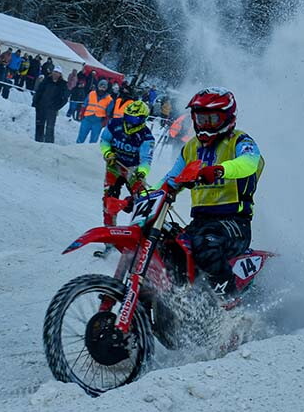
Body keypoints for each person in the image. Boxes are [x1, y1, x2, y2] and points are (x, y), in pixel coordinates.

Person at [160, 87, 264, 295]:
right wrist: (143, 196)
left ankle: (228, 305)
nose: (205, 126)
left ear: (227, 118)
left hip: (235, 222)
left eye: (213, 119)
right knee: (167, 247)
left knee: (206, 246)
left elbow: (249, 163)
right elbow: (171, 178)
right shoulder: (190, 148)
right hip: (200, 222)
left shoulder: (240, 141)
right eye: (200, 119)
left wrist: (220, 170)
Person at [99, 100, 154, 227]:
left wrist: (142, 172)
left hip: (133, 169)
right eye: (128, 117)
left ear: (142, 119)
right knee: (108, 198)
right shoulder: (114, 124)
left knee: (143, 200)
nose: (129, 122)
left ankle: (139, 229)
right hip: (114, 165)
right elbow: (104, 140)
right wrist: (108, 153)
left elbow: (146, 159)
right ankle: (109, 230)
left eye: (134, 120)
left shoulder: (147, 136)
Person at [31, 66, 69, 143]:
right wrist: (35, 103)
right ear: (52, 72)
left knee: (50, 127)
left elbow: (65, 98)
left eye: (58, 73)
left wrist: (57, 107)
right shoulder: (46, 81)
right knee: (39, 125)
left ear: (60, 74)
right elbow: (38, 92)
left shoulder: (63, 84)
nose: (56, 74)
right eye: (55, 72)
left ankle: (49, 144)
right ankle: (37, 141)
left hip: (52, 109)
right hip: (41, 107)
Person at [77, 79, 113, 143]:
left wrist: (105, 121)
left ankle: (90, 152)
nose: (102, 89)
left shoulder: (109, 99)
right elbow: (85, 104)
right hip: (87, 119)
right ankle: (75, 150)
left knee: (93, 140)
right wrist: (81, 113)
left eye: (104, 87)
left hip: (98, 122)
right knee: (81, 137)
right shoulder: (91, 93)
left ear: (106, 88)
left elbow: (109, 113)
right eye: (101, 86)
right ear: (98, 86)